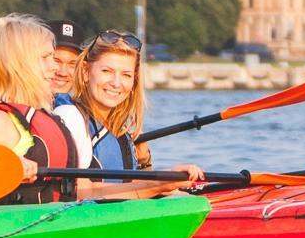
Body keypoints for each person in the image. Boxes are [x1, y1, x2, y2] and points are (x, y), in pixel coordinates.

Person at [0, 13, 85, 204]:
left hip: (53, 224)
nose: (54, 68)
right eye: (46, 57)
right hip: (4, 230)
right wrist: (4, 171)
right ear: (21, 63)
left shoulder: (46, 116)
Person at [56, 30, 202, 198]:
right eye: (107, 71)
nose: (116, 83)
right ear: (86, 71)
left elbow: (131, 189)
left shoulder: (121, 131)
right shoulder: (70, 118)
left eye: (126, 75)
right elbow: (79, 192)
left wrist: (164, 176)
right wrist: (160, 184)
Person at [47, 18, 85, 107]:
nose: (63, 73)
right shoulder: (17, 106)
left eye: (72, 64)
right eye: (56, 60)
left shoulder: (85, 116)